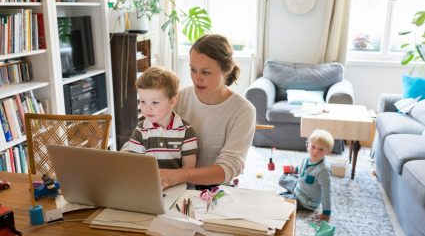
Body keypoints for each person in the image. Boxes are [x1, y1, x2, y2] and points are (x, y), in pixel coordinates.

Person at [159, 34, 256, 189]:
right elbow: (149, 133)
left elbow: (228, 167)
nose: (197, 78)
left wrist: (180, 175)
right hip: (173, 186)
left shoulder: (243, 111)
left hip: (213, 191)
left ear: (226, 71)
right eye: (193, 69)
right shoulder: (179, 99)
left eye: (205, 72)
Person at [121, 66, 198, 169]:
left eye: (155, 102)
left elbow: (188, 170)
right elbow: (136, 167)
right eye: (143, 102)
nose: (147, 108)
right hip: (149, 182)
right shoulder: (140, 131)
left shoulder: (186, 131)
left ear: (172, 101)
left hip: (178, 183)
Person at [279, 129, 334, 222]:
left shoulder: (324, 170)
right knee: (282, 179)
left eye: (321, 149)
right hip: (300, 185)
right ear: (308, 145)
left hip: (305, 200)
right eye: (313, 147)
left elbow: (326, 192)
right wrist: (294, 169)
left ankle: (291, 196)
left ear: (327, 152)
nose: (315, 151)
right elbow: (302, 170)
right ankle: (292, 192)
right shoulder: (307, 157)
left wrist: (326, 212)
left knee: (278, 201)